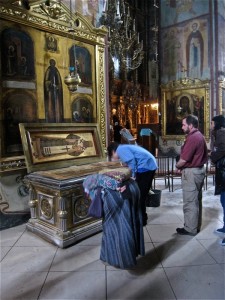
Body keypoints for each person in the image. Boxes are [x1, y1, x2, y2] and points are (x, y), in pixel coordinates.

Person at [107, 142, 157, 226]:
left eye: (112, 156)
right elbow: (131, 160)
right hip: (149, 165)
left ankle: (141, 220)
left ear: (113, 151)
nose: (114, 158)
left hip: (146, 167)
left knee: (140, 194)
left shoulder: (120, 149)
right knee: (142, 194)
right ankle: (142, 217)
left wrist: (133, 176)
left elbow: (132, 162)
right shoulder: (124, 147)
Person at [176, 114, 208, 235]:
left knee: (190, 201)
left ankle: (190, 229)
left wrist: (178, 166)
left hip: (192, 173)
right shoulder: (198, 135)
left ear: (190, 125)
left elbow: (184, 159)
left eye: (184, 124)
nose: (182, 127)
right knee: (196, 200)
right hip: (198, 170)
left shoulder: (193, 138)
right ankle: (195, 226)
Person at [210, 115, 225, 246]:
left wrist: (213, 156)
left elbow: (222, 149)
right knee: (223, 200)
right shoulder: (218, 133)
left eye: (212, 123)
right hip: (222, 171)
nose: (211, 125)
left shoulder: (222, 133)